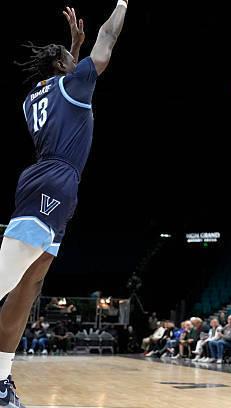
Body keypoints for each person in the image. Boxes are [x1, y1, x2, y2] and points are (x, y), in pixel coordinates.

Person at [0, 4, 128, 406]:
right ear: (62, 65)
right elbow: (108, 39)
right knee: (4, 281)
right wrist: (122, 3)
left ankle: (1, 380)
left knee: (29, 284)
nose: (80, 61)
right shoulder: (74, 83)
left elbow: (63, 81)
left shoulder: (32, 98)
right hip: (53, 180)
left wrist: (73, 46)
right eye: (73, 58)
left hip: (51, 180)